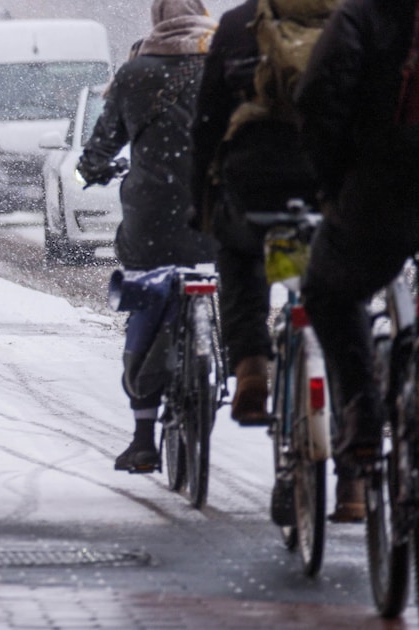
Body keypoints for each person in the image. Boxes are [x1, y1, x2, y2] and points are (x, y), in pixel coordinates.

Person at [190, 0, 366, 522]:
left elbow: (206, 123)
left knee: (240, 256)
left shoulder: (238, 25)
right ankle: (354, 479)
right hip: (328, 183)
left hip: (255, 182)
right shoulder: (353, 22)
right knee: (337, 301)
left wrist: (200, 201)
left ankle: (250, 365)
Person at [77, 0, 218, 472]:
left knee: (144, 301)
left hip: (152, 217)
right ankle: (239, 356)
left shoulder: (134, 73)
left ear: (158, 21)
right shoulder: (224, 63)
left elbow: (101, 145)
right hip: (215, 211)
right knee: (233, 277)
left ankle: (142, 438)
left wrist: (94, 168)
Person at [296, 1, 419, 479]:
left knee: (328, 291)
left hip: (383, 188)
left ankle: (362, 416)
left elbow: (318, 97)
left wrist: (333, 184)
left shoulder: (365, 16)